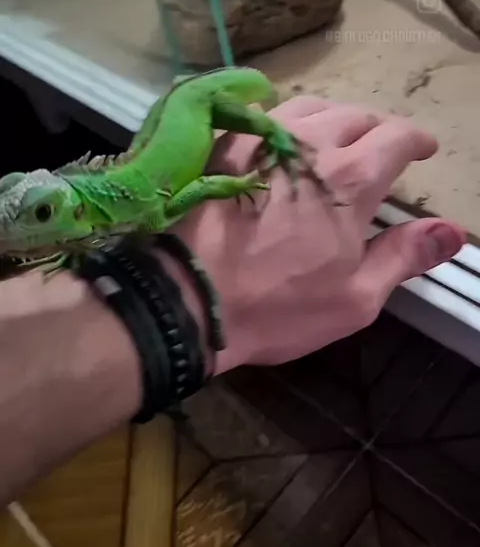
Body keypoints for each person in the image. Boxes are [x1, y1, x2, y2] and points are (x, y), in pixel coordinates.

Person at [0, 95, 465, 508]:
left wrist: (249, 174)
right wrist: (170, 298)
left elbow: (193, 190)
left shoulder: (135, 210)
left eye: (43, 212)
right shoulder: (104, 219)